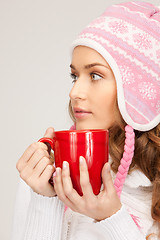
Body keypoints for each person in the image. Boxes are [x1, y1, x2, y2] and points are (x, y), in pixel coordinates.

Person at [12, 1, 160, 240]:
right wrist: (46, 201)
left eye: (95, 75)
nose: (74, 93)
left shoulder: (152, 197)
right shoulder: (42, 177)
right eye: (74, 76)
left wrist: (113, 218)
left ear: (139, 92)